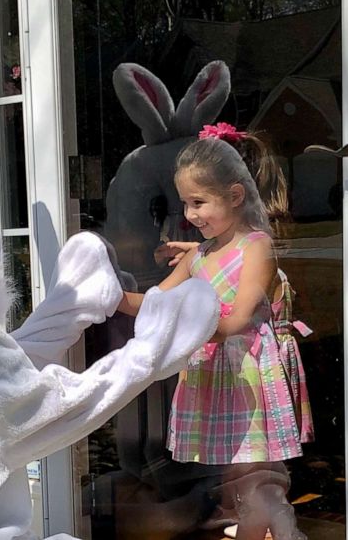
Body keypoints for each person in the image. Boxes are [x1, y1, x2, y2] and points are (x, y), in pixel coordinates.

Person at [117, 124, 313, 540]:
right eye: (186, 203)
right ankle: (263, 524)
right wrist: (114, 297)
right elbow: (156, 302)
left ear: (236, 197)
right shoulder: (200, 255)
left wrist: (193, 329)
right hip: (215, 372)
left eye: (198, 202)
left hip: (247, 371)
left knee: (252, 463)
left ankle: (278, 525)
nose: (189, 215)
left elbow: (240, 318)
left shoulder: (254, 246)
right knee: (237, 467)